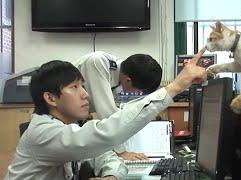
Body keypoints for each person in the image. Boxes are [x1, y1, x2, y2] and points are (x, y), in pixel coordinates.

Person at [5, 47, 207, 180]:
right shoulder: (44, 132)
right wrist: (174, 87)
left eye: (84, 86)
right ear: (51, 98)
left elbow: (108, 158)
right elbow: (106, 133)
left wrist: (112, 176)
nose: (86, 95)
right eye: (75, 87)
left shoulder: (69, 128)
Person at [73, 51, 162, 160]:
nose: (136, 95)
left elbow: (122, 109)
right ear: (128, 81)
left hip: (78, 120)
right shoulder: (96, 63)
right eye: (138, 92)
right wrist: (122, 152)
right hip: (60, 121)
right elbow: (107, 114)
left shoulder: (123, 72)